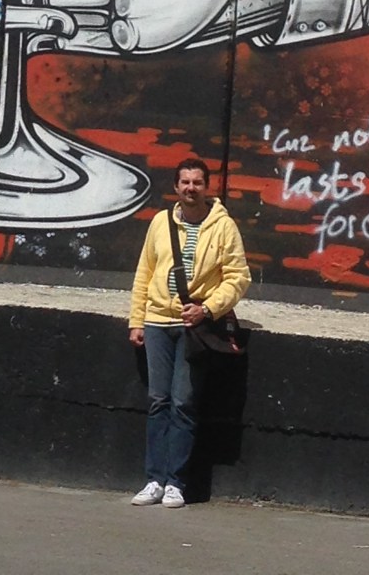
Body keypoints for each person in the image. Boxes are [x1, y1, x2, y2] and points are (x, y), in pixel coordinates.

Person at [128, 157, 251, 507]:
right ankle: (154, 480)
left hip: (192, 328)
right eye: (185, 182)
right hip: (157, 322)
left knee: (183, 402)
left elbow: (238, 278)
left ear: (207, 187)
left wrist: (206, 309)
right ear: (176, 187)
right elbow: (144, 272)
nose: (191, 188)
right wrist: (137, 320)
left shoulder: (223, 227)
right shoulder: (160, 222)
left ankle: (176, 483)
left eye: (197, 182)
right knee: (158, 401)